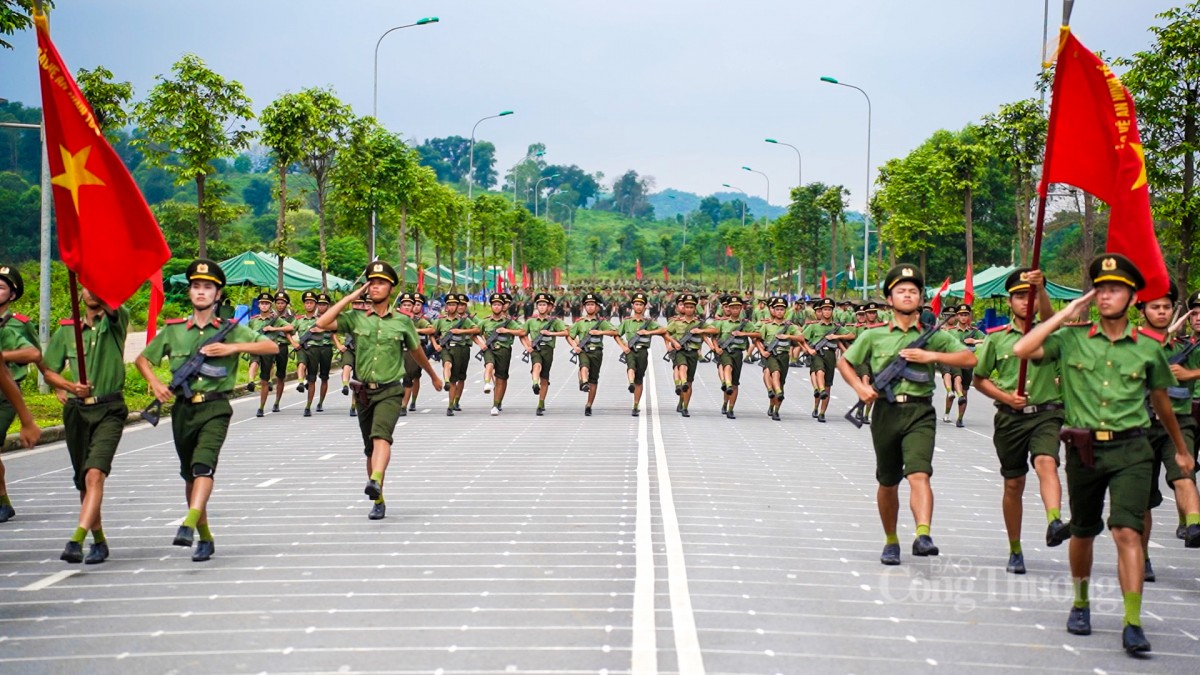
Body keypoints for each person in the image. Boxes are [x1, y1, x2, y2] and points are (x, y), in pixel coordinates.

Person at [1012, 254, 1190, 654]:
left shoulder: (1147, 348)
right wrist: (1065, 312)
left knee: (1127, 531)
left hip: (1132, 447)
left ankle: (1132, 621)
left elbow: (1161, 401)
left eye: (1116, 289)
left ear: (1131, 297)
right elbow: (1024, 348)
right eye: (1101, 288)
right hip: (1084, 450)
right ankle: (1080, 601)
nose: (1107, 295)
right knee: (1084, 530)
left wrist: (1181, 448)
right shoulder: (1072, 337)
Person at [136, 259, 278, 561]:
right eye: (196, 286)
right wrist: (157, 384)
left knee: (203, 466)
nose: (201, 292)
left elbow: (271, 347)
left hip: (216, 407)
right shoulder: (174, 331)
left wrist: (233, 348)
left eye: (208, 287)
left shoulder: (230, 331)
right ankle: (204, 535)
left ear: (218, 294)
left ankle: (188, 523)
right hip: (182, 410)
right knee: (190, 475)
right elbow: (143, 359)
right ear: (190, 292)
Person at [838, 264, 976, 566]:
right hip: (886, 411)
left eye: (913, 291)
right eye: (901, 291)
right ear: (890, 299)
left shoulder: (931, 336)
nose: (907, 295)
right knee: (888, 481)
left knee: (919, 472)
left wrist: (932, 356)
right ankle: (890, 540)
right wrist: (860, 390)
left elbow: (969, 357)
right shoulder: (873, 337)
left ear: (921, 298)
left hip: (920, 411)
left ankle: (923, 534)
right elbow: (845, 362)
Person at [315, 261, 443, 520]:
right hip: (363, 391)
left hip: (390, 390)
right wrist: (351, 297)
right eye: (371, 283)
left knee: (381, 437)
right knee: (369, 449)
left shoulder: (402, 323)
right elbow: (322, 322)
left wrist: (432, 375)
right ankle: (379, 496)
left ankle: (374, 478)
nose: (374, 287)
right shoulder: (356, 318)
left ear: (391, 288)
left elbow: (416, 351)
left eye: (381, 283)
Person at [972, 269, 1069, 575]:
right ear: (1009, 301)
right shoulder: (996, 339)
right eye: (1019, 296)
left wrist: (1042, 290)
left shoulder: (1051, 334)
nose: (1025, 302)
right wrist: (1004, 395)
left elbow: (1054, 321)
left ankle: (1054, 519)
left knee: (1046, 462)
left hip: (1047, 413)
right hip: (1010, 419)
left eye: (1030, 296)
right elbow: (979, 379)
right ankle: (1015, 548)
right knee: (1013, 483)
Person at [41, 288, 129, 564]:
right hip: (77, 412)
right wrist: (69, 386)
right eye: (85, 285)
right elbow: (48, 369)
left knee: (94, 474)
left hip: (109, 409)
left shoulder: (117, 320)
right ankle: (99, 541)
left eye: (96, 284)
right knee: (83, 481)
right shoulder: (67, 330)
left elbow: (114, 309)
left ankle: (76, 539)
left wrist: (105, 288)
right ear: (78, 292)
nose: (90, 290)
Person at [1137, 279, 1200, 583]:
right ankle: (1143, 557)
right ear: (1142, 311)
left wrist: (1190, 373)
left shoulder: (1186, 348)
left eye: (1167, 307)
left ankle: (1195, 525)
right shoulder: (1133, 345)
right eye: (1155, 307)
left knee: (1184, 474)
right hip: (1141, 426)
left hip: (1179, 420)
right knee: (1144, 500)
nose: (1161, 312)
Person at [0, 265, 41, 523]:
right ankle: (3, 499)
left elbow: (38, 356)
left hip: (7, 394)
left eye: (1, 286)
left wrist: (57, 384)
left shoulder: (19, 324)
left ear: (12, 294)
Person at [567, 292, 622, 417]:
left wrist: (599, 332)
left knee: (594, 379)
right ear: (584, 307)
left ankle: (589, 404)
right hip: (584, 351)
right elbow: (570, 336)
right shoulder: (579, 322)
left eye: (592, 304)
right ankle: (584, 382)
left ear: (597, 307)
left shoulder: (601, 322)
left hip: (597, 352)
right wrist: (575, 346)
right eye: (588, 305)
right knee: (584, 366)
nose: (590, 307)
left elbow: (615, 332)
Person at [754, 297, 806, 421]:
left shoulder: (790, 327)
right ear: (773, 310)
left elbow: (801, 338)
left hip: (784, 356)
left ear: (785, 311)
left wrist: (788, 336)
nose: (779, 312)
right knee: (775, 372)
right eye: (777, 309)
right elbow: (757, 339)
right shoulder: (767, 326)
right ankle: (777, 391)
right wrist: (762, 351)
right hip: (771, 355)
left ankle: (775, 408)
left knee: (781, 381)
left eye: (782, 309)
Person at [803, 298, 854, 422]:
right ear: (820, 311)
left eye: (829, 309)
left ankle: (821, 412)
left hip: (830, 355)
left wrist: (836, 336)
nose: (827, 312)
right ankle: (818, 396)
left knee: (827, 386)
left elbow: (851, 335)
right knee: (820, 371)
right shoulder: (814, 326)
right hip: (817, 354)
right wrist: (808, 349)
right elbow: (802, 338)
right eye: (824, 309)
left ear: (832, 311)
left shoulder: (836, 327)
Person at [476, 293, 527, 416]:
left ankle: (496, 404)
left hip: (504, 350)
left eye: (499, 305)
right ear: (491, 306)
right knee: (489, 364)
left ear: (503, 306)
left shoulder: (508, 322)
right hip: (489, 349)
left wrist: (507, 330)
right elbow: (475, 332)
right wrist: (480, 343)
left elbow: (522, 331)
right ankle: (487, 383)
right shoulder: (485, 322)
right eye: (494, 304)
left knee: (501, 378)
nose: (497, 307)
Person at [664, 293, 713, 417]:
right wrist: (671, 344)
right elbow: (665, 333)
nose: (689, 309)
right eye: (687, 306)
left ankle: (684, 405)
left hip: (693, 353)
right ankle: (681, 383)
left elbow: (714, 330)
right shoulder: (676, 322)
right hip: (680, 351)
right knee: (682, 367)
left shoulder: (699, 323)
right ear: (683, 307)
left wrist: (701, 330)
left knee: (690, 382)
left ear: (695, 308)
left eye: (692, 307)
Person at [618, 292, 666, 417]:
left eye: (641, 304)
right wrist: (623, 346)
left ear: (645, 307)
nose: (638, 306)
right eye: (636, 304)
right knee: (631, 367)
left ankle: (635, 405)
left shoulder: (648, 323)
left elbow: (663, 330)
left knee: (640, 379)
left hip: (643, 352)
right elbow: (616, 334)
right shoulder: (627, 322)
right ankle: (631, 383)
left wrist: (649, 332)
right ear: (633, 306)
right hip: (630, 351)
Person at [431, 295, 480, 417]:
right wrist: (435, 345)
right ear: (446, 307)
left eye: (454, 305)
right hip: (446, 349)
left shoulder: (464, 320)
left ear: (457, 306)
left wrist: (461, 331)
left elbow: (477, 330)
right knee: (448, 365)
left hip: (462, 349)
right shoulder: (440, 321)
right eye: (449, 305)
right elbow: (431, 332)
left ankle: (456, 401)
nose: (451, 307)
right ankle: (449, 400)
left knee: (460, 377)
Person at [710, 295, 756, 419]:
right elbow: (713, 336)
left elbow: (758, 334)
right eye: (732, 308)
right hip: (725, 352)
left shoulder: (745, 324)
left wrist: (743, 333)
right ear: (728, 308)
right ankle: (727, 384)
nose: (735, 310)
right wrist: (716, 348)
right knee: (727, 366)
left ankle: (729, 407)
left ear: (741, 308)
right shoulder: (722, 323)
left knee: (735, 384)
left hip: (738, 353)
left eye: (737, 308)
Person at [522, 293, 569, 416]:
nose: (542, 307)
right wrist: (527, 345)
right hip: (535, 350)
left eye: (544, 305)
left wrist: (551, 333)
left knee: (545, 377)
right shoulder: (530, 321)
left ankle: (541, 403)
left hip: (548, 350)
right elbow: (522, 334)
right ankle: (534, 383)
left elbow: (565, 332)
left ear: (549, 307)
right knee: (537, 365)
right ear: (537, 307)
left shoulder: (554, 321)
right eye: (540, 305)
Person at [255, 291, 294, 417]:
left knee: (281, 375)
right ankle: (261, 407)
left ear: (286, 304)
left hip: (282, 347)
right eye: (278, 303)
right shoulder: (269, 316)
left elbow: (291, 330)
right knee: (264, 377)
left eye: (282, 303)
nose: (280, 305)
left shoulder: (290, 317)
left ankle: (277, 402)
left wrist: (275, 329)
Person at [947, 303, 985, 428]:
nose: (963, 317)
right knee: (956, 383)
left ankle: (960, 418)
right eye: (961, 315)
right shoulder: (950, 331)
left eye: (966, 315)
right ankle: (947, 412)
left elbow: (988, 340)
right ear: (957, 316)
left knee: (965, 390)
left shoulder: (974, 332)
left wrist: (975, 341)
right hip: (955, 360)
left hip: (968, 362)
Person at [334, 294, 369, 417]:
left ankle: (353, 406)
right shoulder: (347, 317)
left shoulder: (368, 317)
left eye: (359, 303)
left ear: (364, 305)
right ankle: (344, 386)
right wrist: (338, 345)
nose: (356, 306)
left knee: (358, 382)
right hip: (349, 348)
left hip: (362, 352)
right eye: (354, 303)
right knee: (346, 366)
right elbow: (332, 331)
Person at [400, 292, 435, 414]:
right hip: (398, 351)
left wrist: (418, 330)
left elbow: (432, 329)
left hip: (415, 350)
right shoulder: (395, 319)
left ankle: (406, 404)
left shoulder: (418, 320)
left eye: (410, 305)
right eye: (404, 304)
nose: (407, 307)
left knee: (410, 377)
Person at [245, 292, 273, 390]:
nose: (264, 306)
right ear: (259, 305)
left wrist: (273, 329)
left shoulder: (275, 319)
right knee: (254, 362)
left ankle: (269, 381)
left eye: (267, 304)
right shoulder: (253, 320)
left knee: (270, 363)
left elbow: (289, 327)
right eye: (262, 303)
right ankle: (250, 381)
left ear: (270, 305)